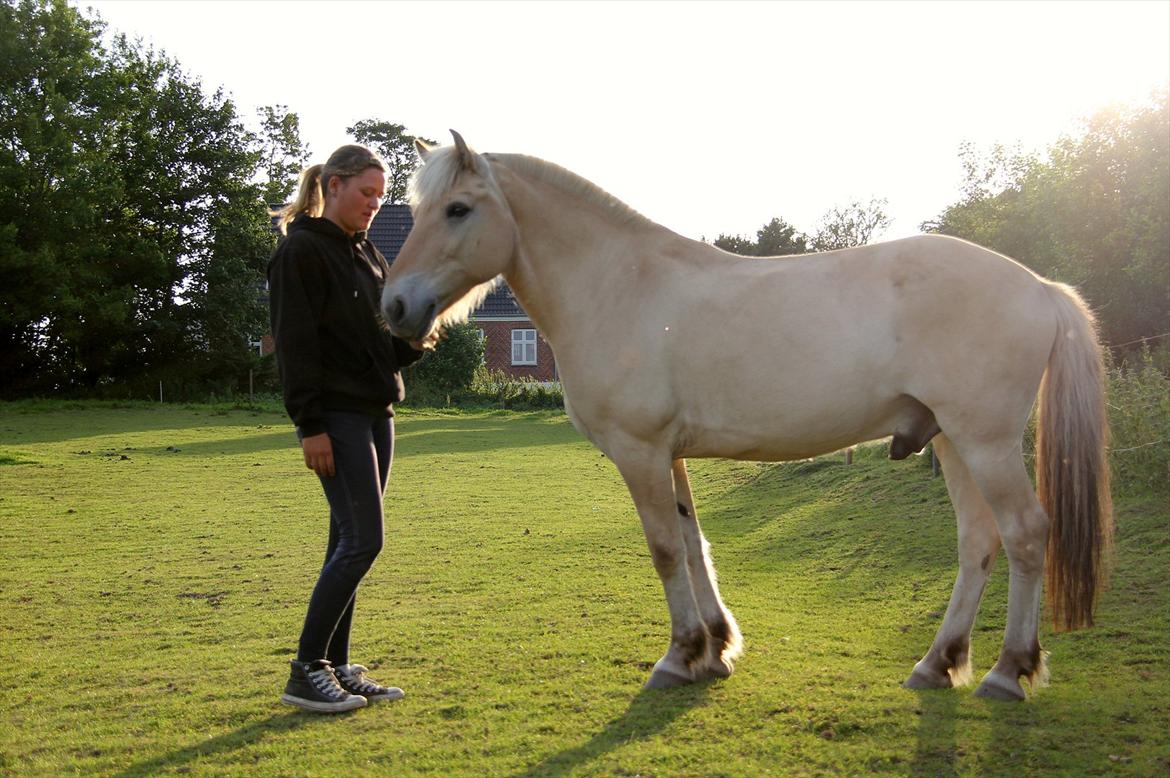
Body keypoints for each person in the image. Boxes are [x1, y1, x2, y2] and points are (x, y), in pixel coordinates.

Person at [268, 145, 429, 713]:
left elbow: (374, 348)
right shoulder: (301, 253)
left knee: (346, 539)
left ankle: (335, 666)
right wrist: (309, 426)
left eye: (380, 197)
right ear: (333, 186)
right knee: (364, 539)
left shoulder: (365, 254)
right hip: (333, 416)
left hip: (376, 412)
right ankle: (305, 669)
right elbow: (296, 347)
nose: (374, 205)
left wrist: (409, 344)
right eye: (366, 193)